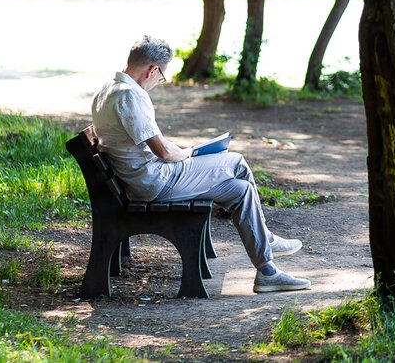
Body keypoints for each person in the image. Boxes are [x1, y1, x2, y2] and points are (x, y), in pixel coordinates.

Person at [91, 35, 310, 293]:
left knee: (240, 190)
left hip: (142, 178)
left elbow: (152, 144)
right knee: (236, 161)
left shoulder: (107, 89)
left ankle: (268, 271)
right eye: (161, 77)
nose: (158, 82)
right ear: (152, 70)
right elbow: (162, 151)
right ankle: (268, 240)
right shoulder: (130, 96)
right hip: (153, 182)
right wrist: (188, 154)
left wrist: (187, 153)